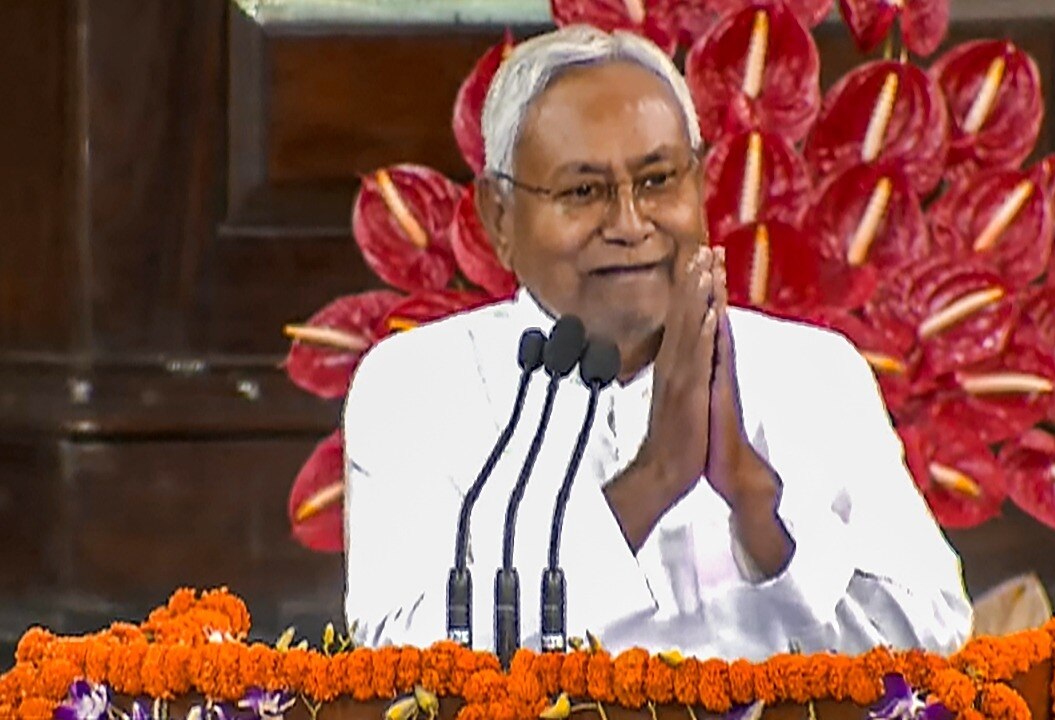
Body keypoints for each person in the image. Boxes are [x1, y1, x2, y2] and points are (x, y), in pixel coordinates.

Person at [342, 24, 973, 660]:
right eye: (583, 191)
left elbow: (935, 632)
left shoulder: (815, 370)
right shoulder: (416, 386)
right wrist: (651, 483)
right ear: (499, 218)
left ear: (699, 186)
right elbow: (401, 651)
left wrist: (758, 509)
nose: (629, 223)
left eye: (657, 181)